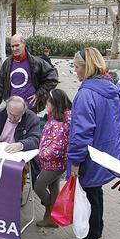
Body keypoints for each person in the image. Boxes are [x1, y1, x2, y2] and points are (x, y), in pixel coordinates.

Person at [65, 47, 120, 239]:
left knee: (89, 193)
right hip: (106, 148)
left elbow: (81, 132)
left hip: (91, 153)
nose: (74, 71)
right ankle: (97, 230)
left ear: (87, 67)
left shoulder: (86, 94)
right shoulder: (112, 86)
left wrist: (75, 161)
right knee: (95, 192)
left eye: (76, 67)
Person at [33, 89, 72, 228]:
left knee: (38, 186)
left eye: (48, 102)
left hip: (54, 162)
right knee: (53, 187)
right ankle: (51, 217)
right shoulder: (54, 118)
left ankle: (53, 210)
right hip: (52, 162)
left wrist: (41, 154)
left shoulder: (60, 123)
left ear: (55, 104)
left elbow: (58, 146)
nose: (46, 105)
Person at [0, 34, 58, 113]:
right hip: (11, 108)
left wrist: (39, 94)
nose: (14, 48)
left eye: (17, 45)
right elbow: (1, 85)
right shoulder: (7, 64)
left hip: (30, 109)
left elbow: (53, 79)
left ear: (24, 44)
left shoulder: (36, 62)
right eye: (12, 46)